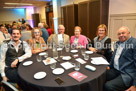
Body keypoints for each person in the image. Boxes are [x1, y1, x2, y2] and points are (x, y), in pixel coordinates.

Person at [104, 26, 136, 91]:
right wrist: (109, 66)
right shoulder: (118, 43)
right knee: (101, 76)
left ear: (129, 33)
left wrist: (134, 85)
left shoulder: (134, 43)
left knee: (108, 86)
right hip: (116, 70)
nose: (121, 35)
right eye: (119, 34)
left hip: (127, 73)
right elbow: (114, 57)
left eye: (123, 33)